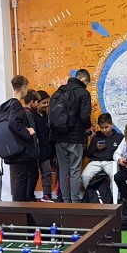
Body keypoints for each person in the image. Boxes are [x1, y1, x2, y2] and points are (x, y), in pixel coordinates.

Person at [50, 69, 92, 203]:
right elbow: (84, 116)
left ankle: (65, 200)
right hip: (75, 137)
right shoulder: (83, 93)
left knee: (63, 170)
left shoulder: (59, 91)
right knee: (75, 170)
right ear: (84, 80)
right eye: (87, 83)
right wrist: (88, 127)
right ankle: (75, 201)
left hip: (58, 136)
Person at [0, 76, 39, 201]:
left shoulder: (6, 105)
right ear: (24, 88)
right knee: (21, 179)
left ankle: (20, 205)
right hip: (20, 148)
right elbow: (13, 123)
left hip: (12, 147)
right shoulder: (16, 104)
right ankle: (19, 206)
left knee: (20, 178)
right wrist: (27, 132)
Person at [81, 113, 123, 190]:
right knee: (85, 176)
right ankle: (92, 194)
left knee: (115, 176)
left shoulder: (119, 137)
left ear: (112, 125)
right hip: (96, 162)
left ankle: (113, 196)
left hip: (111, 162)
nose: (104, 130)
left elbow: (123, 153)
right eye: (101, 127)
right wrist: (96, 148)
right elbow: (89, 154)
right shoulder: (96, 137)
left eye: (106, 127)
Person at [34, 90, 55, 201]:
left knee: (47, 172)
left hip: (46, 150)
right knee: (33, 174)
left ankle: (47, 194)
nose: (46, 105)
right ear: (36, 102)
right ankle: (30, 194)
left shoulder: (47, 116)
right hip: (35, 150)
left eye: (47, 103)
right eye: (44, 103)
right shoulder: (31, 116)